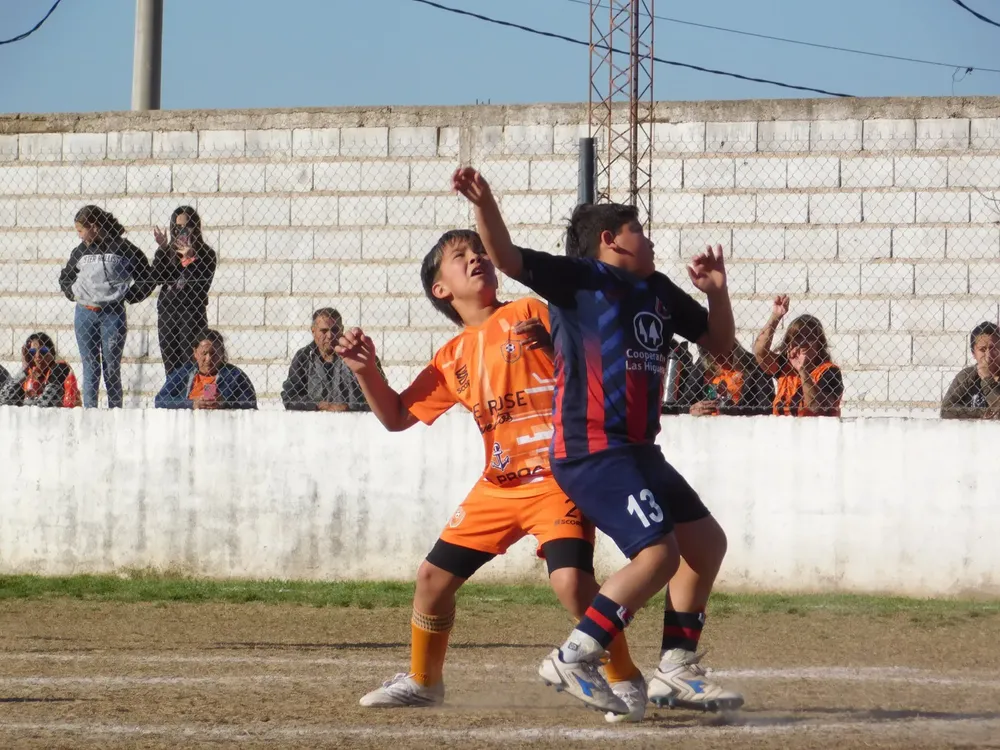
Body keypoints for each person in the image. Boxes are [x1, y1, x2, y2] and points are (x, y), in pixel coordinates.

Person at [452, 167, 742, 716]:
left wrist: (718, 294)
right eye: (639, 229)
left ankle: (677, 668)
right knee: (658, 553)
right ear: (610, 240)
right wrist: (484, 202)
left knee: (706, 543)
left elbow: (721, 345)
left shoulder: (657, 291)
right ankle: (576, 655)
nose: (650, 238)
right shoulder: (581, 279)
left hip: (638, 450)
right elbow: (509, 258)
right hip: (591, 450)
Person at [336, 229, 645, 721]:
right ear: (442, 290)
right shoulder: (451, 357)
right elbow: (396, 416)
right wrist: (364, 370)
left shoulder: (529, 312)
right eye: (460, 257)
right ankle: (423, 681)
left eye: (478, 251)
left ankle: (625, 678)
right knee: (431, 580)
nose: (476, 257)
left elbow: (596, 352)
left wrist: (560, 340)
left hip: (557, 478)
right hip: (499, 487)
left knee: (571, 584)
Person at [59, 205, 154, 409]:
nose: (79, 236)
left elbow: (146, 277)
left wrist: (129, 296)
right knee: (90, 367)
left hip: (113, 315)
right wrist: (73, 293)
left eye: (81, 230)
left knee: (111, 368)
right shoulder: (81, 251)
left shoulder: (124, 248)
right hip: (85, 314)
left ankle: (115, 410)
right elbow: (66, 276)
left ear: (93, 226)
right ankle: (90, 411)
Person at [151, 207, 218, 375]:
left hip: (191, 313)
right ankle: (174, 401)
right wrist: (163, 248)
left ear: (195, 228)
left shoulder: (206, 254)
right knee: (171, 366)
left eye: (186, 227)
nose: (181, 231)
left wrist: (191, 259)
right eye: (177, 227)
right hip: (168, 313)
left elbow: (201, 287)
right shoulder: (169, 252)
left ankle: (197, 399)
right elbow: (157, 277)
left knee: (194, 365)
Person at [754, 296, 843, 418]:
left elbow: (816, 406)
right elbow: (759, 352)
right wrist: (775, 317)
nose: (803, 342)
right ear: (789, 343)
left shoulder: (829, 371)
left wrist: (803, 370)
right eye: (798, 337)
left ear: (819, 344)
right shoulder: (785, 366)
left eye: (810, 337)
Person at [281, 308, 376, 412]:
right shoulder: (304, 357)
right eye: (324, 331)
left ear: (342, 329)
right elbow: (289, 397)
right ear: (313, 331)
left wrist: (352, 408)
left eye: (335, 330)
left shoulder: (357, 355)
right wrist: (318, 405)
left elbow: (380, 396)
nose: (330, 336)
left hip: (356, 423)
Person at [154, 330, 257, 410]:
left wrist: (225, 402)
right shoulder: (184, 372)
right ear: (195, 352)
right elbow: (160, 400)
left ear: (222, 353)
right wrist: (192, 403)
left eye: (214, 354)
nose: (209, 359)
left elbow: (251, 404)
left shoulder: (235, 375)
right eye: (204, 353)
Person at [683, 342, 774, 416]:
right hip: (709, 424)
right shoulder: (703, 364)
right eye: (709, 353)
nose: (716, 358)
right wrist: (691, 409)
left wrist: (737, 412)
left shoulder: (754, 365)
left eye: (720, 353)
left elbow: (766, 407)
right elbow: (684, 400)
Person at [0, 333, 81, 408]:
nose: (38, 356)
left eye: (43, 351)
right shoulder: (28, 373)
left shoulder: (59, 368)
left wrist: (24, 404)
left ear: (51, 353)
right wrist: (25, 369)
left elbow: (45, 404)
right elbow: (3, 400)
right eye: (32, 352)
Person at [941, 321, 1000, 420]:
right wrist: (983, 413)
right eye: (982, 349)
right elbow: (946, 410)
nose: (989, 356)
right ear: (973, 353)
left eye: (993, 348)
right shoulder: (967, 375)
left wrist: (987, 379)